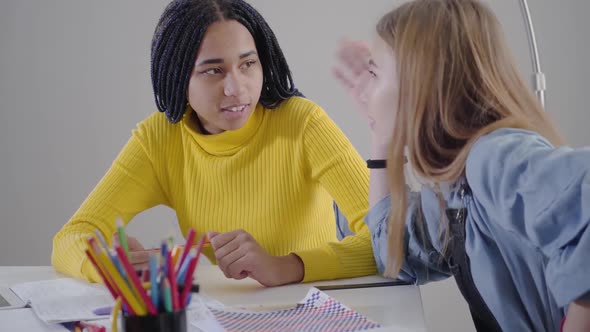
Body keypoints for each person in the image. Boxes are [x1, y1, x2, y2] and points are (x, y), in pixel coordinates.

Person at [52, 0, 376, 287]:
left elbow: (388, 241)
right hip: (229, 315)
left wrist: (282, 267)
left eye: (248, 64)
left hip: (316, 311)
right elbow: (71, 236)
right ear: (179, 79)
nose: (236, 88)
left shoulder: (304, 123)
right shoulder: (159, 139)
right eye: (213, 71)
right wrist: (105, 265)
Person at [334, 0, 590, 330]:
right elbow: (394, 257)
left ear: (422, 83)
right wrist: (383, 141)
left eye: (374, 73)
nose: (364, 91)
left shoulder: (493, 158)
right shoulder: (453, 182)